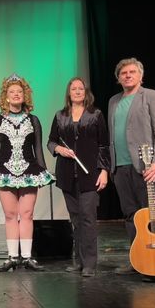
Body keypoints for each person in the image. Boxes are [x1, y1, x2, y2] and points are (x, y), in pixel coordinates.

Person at [0, 73, 54, 272]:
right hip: (3, 171)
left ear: (25, 96)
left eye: (19, 92)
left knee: (27, 214)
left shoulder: (34, 120)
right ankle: (12, 257)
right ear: (5, 97)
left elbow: (38, 148)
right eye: (11, 92)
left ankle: (27, 257)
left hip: (30, 171)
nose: (15, 95)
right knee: (10, 215)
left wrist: (43, 172)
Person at [108, 57, 155, 275]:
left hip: (145, 166)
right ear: (118, 78)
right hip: (120, 168)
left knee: (151, 214)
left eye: (132, 72)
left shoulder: (151, 96)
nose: (128, 75)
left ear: (140, 75)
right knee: (131, 215)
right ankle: (138, 260)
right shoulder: (113, 101)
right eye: (123, 73)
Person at [47, 77, 110, 277]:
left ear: (85, 92)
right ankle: (79, 261)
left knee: (88, 219)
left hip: (89, 174)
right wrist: (59, 149)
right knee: (75, 220)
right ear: (69, 93)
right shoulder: (60, 116)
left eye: (80, 88)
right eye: (73, 88)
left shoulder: (95, 114)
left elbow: (104, 145)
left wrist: (104, 171)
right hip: (67, 175)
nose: (77, 91)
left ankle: (90, 263)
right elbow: (50, 142)